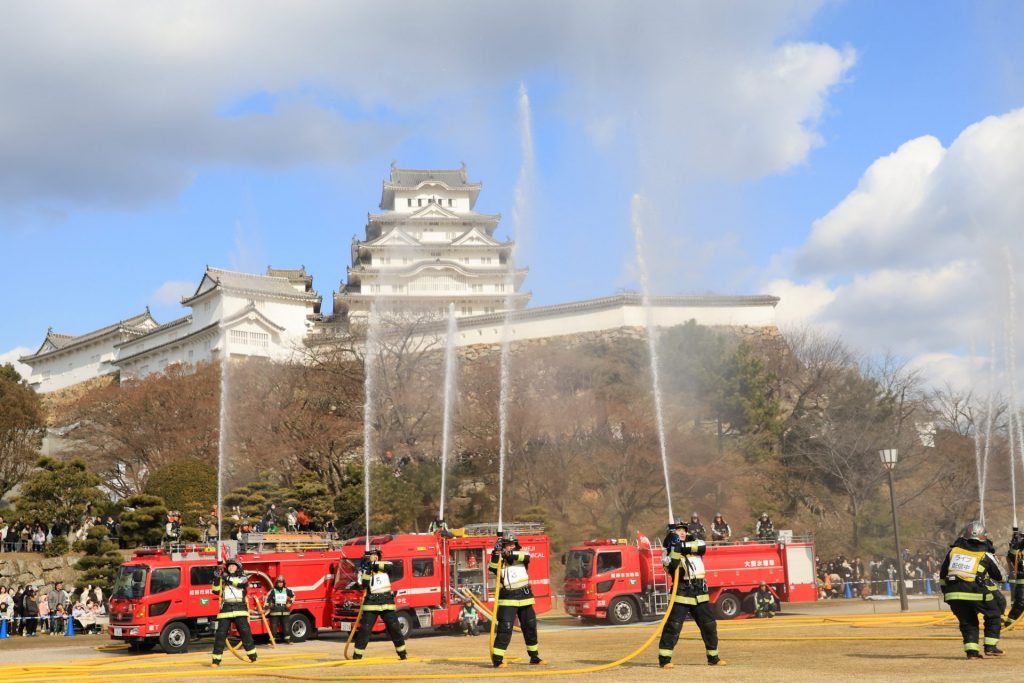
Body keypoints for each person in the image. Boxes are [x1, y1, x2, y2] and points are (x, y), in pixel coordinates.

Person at [658, 520, 723, 668]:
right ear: (671, 533)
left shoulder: (695, 543)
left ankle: (713, 657)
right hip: (681, 592)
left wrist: (681, 546)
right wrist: (674, 548)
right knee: (673, 627)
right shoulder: (666, 552)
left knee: (709, 625)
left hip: (700, 591)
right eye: (678, 530)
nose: (682, 532)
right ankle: (665, 659)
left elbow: (701, 547)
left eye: (683, 530)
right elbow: (672, 566)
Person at [939, 521, 1004, 658]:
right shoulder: (986, 554)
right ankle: (990, 647)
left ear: (964, 536)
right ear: (984, 537)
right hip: (976, 592)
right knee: (994, 614)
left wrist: (947, 593)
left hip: (953, 594)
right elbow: (1001, 576)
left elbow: (943, 575)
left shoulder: (953, 551)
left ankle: (972, 652)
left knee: (968, 621)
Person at [489, 532, 543, 667]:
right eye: (507, 545)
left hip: (525, 597)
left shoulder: (522, 555)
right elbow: (492, 567)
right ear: (504, 546)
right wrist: (495, 553)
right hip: (508, 599)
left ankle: (534, 657)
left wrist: (506, 553)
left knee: (530, 626)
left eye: (512, 544)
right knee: (505, 628)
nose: (510, 547)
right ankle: (498, 659)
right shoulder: (499, 560)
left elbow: (524, 556)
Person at [352, 545, 408, 660]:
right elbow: (364, 584)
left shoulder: (385, 566)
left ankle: (402, 654)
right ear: (367, 557)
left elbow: (392, 568)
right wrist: (368, 570)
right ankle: (357, 656)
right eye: (372, 555)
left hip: (386, 601)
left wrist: (374, 564)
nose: (374, 557)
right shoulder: (362, 571)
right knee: (365, 629)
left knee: (394, 627)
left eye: (376, 555)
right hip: (371, 603)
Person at [211, 558, 257, 666]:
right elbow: (215, 590)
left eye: (233, 565)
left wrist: (227, 577)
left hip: (239, 608)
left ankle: (253, 657)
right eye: (229, 566)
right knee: (220, 635)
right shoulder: (223, 578)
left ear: (238, 567)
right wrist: (217, 576)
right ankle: (216, 660)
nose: (230, 567)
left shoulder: (243, 577)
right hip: (226, 609)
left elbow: (239, 583)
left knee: (245, 633)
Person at [264, 576, 295, 644]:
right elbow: (267, 599)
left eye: (281, 582)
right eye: (279, 582)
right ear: (276, 583)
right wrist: (265, 608)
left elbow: (293, 596)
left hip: (284, 610)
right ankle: (272, 640)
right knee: (273, 626)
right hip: (275, 610)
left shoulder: (286, 590)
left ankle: (287, 639)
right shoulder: (273, 590)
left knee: (286, 626)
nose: (280, 584)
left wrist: (289, 603)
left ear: (283, 583)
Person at [1005, 527, 1024, 625]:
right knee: (1021, 603)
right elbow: (1011, 557)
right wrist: (1017, 544)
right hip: (1022, 581)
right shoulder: (1018, 549)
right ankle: (1010, 623)